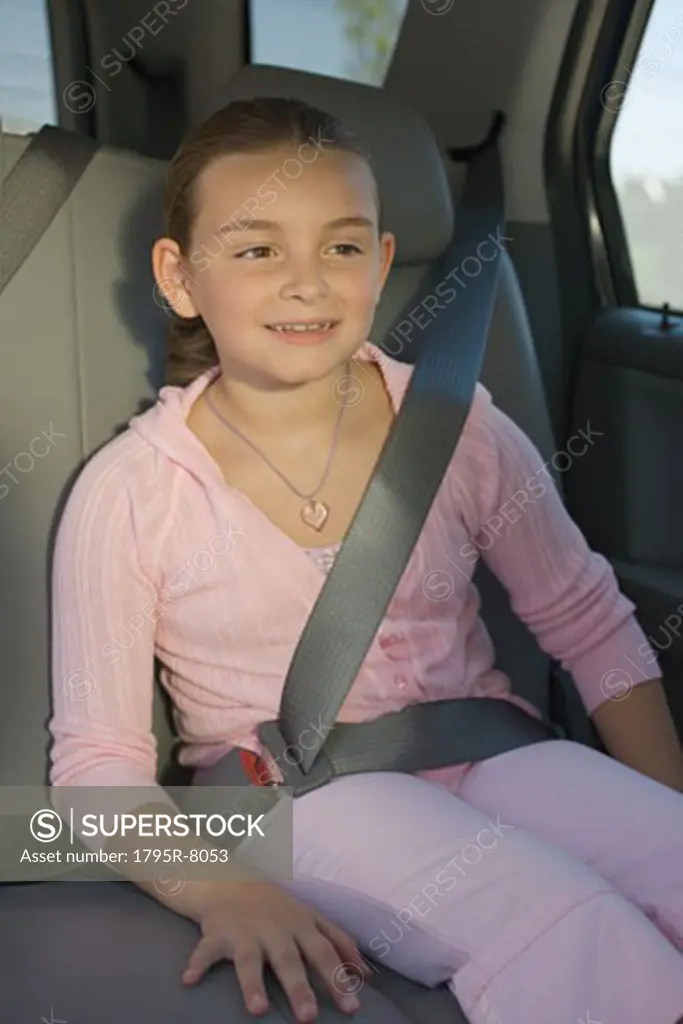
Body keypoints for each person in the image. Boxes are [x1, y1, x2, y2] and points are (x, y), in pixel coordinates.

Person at [48, 96, 683, 1024]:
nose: (306, 283)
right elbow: (96, 769)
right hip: (293, 797)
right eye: (258, 249)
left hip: (489, 749)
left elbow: (585, 622)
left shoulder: (454, 426)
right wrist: (217, 887)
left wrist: (660, 809)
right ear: (179, 278)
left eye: (341, 248)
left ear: (381, 265)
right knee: (569, 925)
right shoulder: (135, 489)